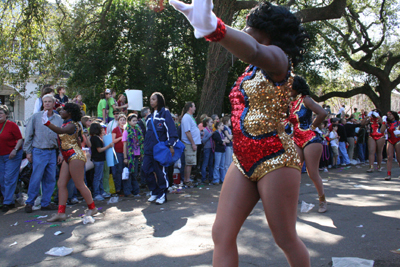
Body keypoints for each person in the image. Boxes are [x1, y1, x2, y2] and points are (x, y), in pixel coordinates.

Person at [170, 1, 310, 266]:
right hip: (242, 159)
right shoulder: (252, 69)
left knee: (285, 238)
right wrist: (204, 23)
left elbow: (254, 50)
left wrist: (214, 28)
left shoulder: (279, 60)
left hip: (276, 158)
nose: (244, 30)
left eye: (249, 26)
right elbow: (251, 51)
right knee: (221, 233)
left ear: (267, 31)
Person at [42, 103, 98, 221]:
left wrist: (47, 123)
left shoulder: (72, 125)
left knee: (79, 184)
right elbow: (77, 140)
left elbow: (60, 130)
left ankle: (92, 208)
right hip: (68, 156)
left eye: (63, 110)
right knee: (61, 184)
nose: (60, 111)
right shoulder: (68, 124)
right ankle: (61, 213)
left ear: (70, 113)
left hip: (74, 155)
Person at [287, 75, 328, 213]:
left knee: (312, 173)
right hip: (296, 139)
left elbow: (322, 113)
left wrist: (313, 126)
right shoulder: (292, 103)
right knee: (293, 170)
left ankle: (322, 200)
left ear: (296, 87)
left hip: (310, 139)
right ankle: (293, 199)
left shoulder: (306, 100)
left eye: (290, 86)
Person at [24, 94, 63, 213]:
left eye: (49, 101)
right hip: (39, 151)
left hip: (52, 152)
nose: (46, 103)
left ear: (53, 103)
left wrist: (60, 153)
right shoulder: (36, 117)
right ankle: (30, 202)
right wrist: (28, 151)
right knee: (36, 178)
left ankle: (46, 203)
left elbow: (61, 137)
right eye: (44, 101)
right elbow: (28, 135)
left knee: (50, 179)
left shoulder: (58, 119)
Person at [143, 92, 178, 205]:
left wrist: (169, 145)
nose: (151, 101)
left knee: (160, 172)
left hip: (160, 150)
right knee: (145, 170)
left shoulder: (165, 113)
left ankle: (162, 194)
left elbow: (172, 132)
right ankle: (154, 191)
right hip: (148, 150)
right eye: (150, 99)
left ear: (159, 100)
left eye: (153, 99)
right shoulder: (149, 117)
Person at [0, 105, 24, 212]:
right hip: (0, 155)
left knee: (9, 177)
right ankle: (9, 199)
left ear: (6, 114)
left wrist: (15, 150)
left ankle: (7, 202)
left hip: (12, 155)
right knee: (2, 179)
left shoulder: (11, 125)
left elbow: (20, 139)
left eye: (0, 113)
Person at [90, 122, 114, 201]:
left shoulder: (95, 138)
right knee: (97, 177)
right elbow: (99, 150)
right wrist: (108, 146)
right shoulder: (95, 138)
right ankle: (96, 193)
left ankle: (101, 191)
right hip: (98, 160)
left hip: (100, 160)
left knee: (100, 177)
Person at [123, 113, 144, 196]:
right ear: (129, 121)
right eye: (133, 121)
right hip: (129, 155)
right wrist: (125, 157)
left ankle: (136, 191)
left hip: (137, 154)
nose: (135, 122)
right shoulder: (126, 131)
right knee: (129, 174)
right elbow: (125, 145)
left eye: (136, 120)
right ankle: (128, 192)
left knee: (135, 174)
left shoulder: (138, 130)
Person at [181, 101, 201, 187]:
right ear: (190, 107)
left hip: (191, 143)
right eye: (194, 106)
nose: (195, 108)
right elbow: (187, 132)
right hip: (189, 144)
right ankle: (186, 180)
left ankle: (187, 179)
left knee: (190, 163)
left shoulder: (190, 117)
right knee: (188, 163)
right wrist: (193, 143)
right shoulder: (186, 117)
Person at [380, 111, 400, 180]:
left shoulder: (398, 122)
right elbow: (382, 131)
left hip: (398, 140)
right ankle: (388, 175)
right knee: (389, 157)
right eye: (388, 115)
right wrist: (383, 122)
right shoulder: (387, 124)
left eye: (390, 114)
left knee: (398, 158)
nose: (389, 116)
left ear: (394, 115)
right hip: (390, 140)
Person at [111, 114, 127, 196]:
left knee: (126, 170)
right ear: (118, 121)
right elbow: (113, 140)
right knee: (119, 170)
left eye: (124, 120)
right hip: (118, 152)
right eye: (121, 120)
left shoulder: (127, 129)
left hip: (127, 152)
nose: (122, 121)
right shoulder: (115, 129)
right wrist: (121, 137)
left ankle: (126, 188)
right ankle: (118, 188)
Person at [201, 117, 214, 184]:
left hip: (211, 148)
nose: (212, 123)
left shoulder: (211, 130)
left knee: (211, 164)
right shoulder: (205, 131)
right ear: (207, 123)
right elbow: (203, 140)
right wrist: (210, 135)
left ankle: (210, 177)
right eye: (211, 122)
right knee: (205, 163)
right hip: (207, 148)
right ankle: (204, 178)